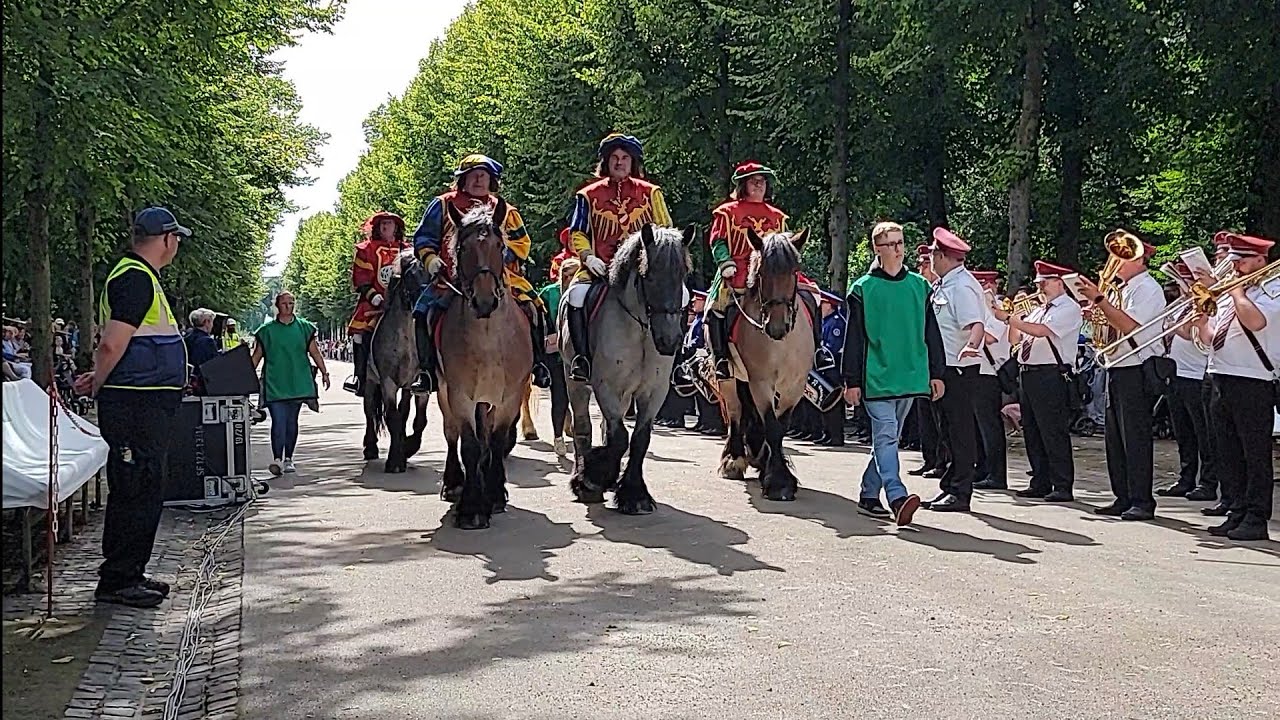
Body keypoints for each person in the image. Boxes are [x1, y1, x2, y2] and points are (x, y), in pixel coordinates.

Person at [73, 206, 190, 608]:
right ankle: (119, 579)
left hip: (143, 400)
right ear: (166, 239)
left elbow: (115, 345)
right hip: (136, 403)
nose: (176, 246)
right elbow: (112, 343)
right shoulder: (136, 279)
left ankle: (131, 572)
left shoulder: (139, 277)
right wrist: (100, 383)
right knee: (136, 486)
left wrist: (97, 376)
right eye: (176, 239)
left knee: (143, 486)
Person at [409, 154, 551, 393]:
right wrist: (432, 260)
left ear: (492, 180)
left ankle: (537, 365)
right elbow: (424, 239)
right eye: (473, 175)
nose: (478, 180)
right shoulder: (443, 205)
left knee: (535, 309)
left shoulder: (506, 211)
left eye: (483, 175)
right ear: (462, 180)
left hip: (503, 276)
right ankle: (427, 371)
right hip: (451, 278)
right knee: (422, 313)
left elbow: (521, 243)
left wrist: (495, 261)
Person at [842, 221, 945, 526]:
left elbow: (932, 333)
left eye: (901, 242)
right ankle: (897, 496)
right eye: (892, 244)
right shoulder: (863, 289)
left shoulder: (919, 286)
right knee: (887, 435)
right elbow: (855, 339)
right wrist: (852, 381)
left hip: (910, 374)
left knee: (888, 439)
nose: (899, 249)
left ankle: (868, 494)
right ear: (878, 249)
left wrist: (937, 373)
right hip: (877, 375)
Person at [1185, 232, 1277, 541]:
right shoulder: (1230, 294)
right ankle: (1235, 509)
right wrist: (1200, 324)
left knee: (1254, 453)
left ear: (1261, 261)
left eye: (1242, 261)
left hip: (1254, 379)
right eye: (1234, 261)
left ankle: (1256, 517)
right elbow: (1215, 340)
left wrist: (1237, 293)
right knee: (1227, 450)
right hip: (1221, 373)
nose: (1235, 267)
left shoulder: (1273, 290)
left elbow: (1256, 323)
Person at [563, 133, 676, 381]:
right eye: (613, 158)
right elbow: (578, 232)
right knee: (576, 295)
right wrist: (588, 257)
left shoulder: (651, 193)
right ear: (605, 162)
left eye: (625, 158)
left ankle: (674, 360)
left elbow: (666, 230)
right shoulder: (588, 196)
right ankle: (581, 358)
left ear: (633, 162)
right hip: (600, 268)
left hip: (645, 272)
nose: (619, 162)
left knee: (682, 296)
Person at [703, 161, 831, 380]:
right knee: (718, 305)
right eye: (753, 181)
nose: (759, 185)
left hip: (774, 269)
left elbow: (785, 247)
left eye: (762, 181)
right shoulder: (726, 212)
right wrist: (725, 263)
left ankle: (818, 349)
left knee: (813, 295)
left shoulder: (777, 216)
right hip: (737, 267)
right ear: (743, 185)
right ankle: (721, 358)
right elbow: (718, 241)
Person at [1073, 234, 1165, 520]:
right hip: (1116, 365)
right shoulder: (1121, 290)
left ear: (1138, 259)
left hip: (1136, 366)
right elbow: (1110, 324)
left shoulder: (1148, 289)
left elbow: (1131, 327)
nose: (1113, 264)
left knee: (1135, 436)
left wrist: (1100, 301)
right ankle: (1123, 495)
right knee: (1114, 437)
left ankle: (1141, 499)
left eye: (1121, 258)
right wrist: (1098, 313)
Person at [922, 227, 990, 513]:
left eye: (934, 254)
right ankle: (950, 485)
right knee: (948, 430)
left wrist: (972, 345)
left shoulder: (961, 286)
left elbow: (976, 323)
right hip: (945, 366)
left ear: (944, 255)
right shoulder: (946, 283)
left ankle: (961, 490)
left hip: (958, 368)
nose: (931, 259)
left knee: (959, 430)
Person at [1005, 261, 1084, 499]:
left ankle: (1062, 484)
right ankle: (1040, 479)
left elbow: (1041, 332)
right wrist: (1015, 319)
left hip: (1051, 373)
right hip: (1029, 372)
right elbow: (1015, 339)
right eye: (1039, 283)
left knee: (1052, 430)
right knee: (1032, 429)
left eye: (1044, 283)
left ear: (1059, 282)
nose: (1040, 287)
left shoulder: (1068, 308)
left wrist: (1010, 318)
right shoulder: (1040, 309)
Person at [251, 291, 330, 477]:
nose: (289, 306)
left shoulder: (304, 328)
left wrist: (324, 372)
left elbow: (315, 352)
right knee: (278, 421)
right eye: (285, 303)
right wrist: (245, 379)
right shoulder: (266, 331)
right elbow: (256, 357)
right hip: (275, 382)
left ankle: (289, 459)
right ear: (277, 305)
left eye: (291, 303)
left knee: (291, 422)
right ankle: (277, 458)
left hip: (297, 381)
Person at [1157, 262, 1217, 501]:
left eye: (1185, 282)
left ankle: (1208, 481)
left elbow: (1193, 336)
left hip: (1195, 375)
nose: (1182, 287)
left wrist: (1171, 326)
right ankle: (1186, 477)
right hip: (1176, 373)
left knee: (1203, 433)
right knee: (1183, 432)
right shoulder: (1181, 306)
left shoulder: (1203, 305)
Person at [344, 211, 406, 395]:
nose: (386, 227)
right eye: (382, 224)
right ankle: (359, 376)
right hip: (372, 304)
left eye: (389, 223)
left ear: (397, 227)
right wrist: (374, 297)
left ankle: (425, 373)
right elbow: (361, 280)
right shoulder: (366, 250)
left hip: (402, 304)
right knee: (359, 335)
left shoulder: (406, 249)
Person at [970, 271, 1010, 491]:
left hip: (989, 374)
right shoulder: (980, 310)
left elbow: (991, 337)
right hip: (975, 371)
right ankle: (982, 468)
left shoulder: (998, 309)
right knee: (977, 427)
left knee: (990, 427)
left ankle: (997, 474)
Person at [538, 257, 578, 456]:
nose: (569, 278)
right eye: (566, 274)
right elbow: (539, 318)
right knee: (559, 397)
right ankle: (557, 437)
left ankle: (580, 436)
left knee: (579, 399)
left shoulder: (582, 292)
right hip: (555, 353)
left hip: (578, 352)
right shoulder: (550, 293)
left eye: (573, 274)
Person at [815, 289, 847, 446]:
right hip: (823, 368)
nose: (820, 306)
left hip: (833, 367)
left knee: (834, 403)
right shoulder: (825, 321)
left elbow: (833, 347)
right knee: (824, 401)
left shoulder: (836, 322)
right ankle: (827, 432)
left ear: (830, 305)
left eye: (823, 303)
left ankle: (836, 435)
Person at [183, 307, 221, 392]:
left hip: (188, 381)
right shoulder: (207, 342)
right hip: (202, 385)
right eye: (212, 322)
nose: (212, 325)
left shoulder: (187, 337)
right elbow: (213, 364)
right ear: (206, 322)